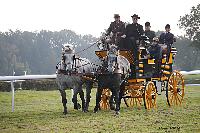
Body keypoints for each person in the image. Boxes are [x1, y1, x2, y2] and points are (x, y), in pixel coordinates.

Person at [122, 14, 144, 78]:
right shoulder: (129, 26)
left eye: (136, 19)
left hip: (135, 41)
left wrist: (139, 39)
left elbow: (142, 34)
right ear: (132, 19)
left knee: (132, 40)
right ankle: (122, 51)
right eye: (134, 19)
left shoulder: (140, 26)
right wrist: (123, 36)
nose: (135, 20)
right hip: (128, 40)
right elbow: (125, 33)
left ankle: (133, 55)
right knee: (122, 39)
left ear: (137, 19)